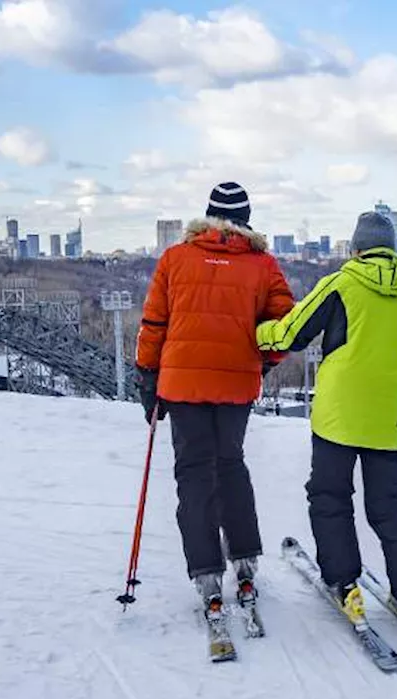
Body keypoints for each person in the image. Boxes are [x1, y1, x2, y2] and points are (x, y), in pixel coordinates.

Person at [256, 211, 397, 639]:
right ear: (394, 249)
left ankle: (344, 584)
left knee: (329, 496)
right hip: (391, 420)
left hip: (338, 418)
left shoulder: (340, 284)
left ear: (356, 248)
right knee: (390, 508)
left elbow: (290, 333)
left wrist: (256, 334)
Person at [135, 181, 294, 621]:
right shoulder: (263, 264)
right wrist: (263, 362)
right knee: (230, 465)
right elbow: (285, 323)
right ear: (246, 218)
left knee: (193, 474)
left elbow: (154, 322)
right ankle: (244, 560)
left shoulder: (175, 259)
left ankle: (206, 574)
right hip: (236, 384)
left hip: (181, 384)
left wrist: (147, 376)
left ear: (206, 216)